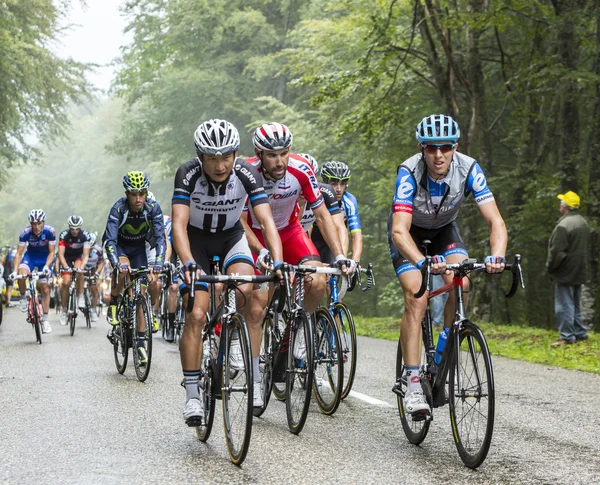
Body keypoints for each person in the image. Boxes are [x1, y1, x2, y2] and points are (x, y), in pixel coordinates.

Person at [389, 114, 507, 417]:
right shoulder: (409, 171)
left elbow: (495, 221)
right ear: (421, 148)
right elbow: (399, 231)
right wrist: (422, 261)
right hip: (409, 235)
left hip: (444, 232)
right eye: (430, 148)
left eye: (445, 147)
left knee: (462, 282)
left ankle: (443, 350)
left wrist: (497, 255)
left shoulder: (469, 168)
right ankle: (412, 379)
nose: (438, 155)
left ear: (455, 147)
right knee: (417, 296)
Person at [172, 119, 283, 425]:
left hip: (231, 236)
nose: (220, 165)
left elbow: (266, 221)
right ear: (200, 156)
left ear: (235, 154)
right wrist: (188, 262)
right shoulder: (187, 173)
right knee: (196, 313)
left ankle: (233, 341)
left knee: (245, 287)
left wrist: (277, 260)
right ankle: (193, 395)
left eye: (225, 157)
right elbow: (179, 224)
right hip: (195, 241)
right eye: (211, 158)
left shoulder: (246, 173)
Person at [242, 123, 353, 409]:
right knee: (257, 304)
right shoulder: (246, 172)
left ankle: (301, 331)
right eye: (272, 155)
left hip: (290, 231)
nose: (279, 161)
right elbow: (241, 221)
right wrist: (261, 249)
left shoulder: (301, 169)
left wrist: (340, 255)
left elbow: (323, 216)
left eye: (284, 153)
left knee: (317, 280)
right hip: (255, 234)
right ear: (259, 153)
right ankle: (254, 376)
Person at [104, 171, 166, 364]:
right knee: (123, 272)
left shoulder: (153, 208)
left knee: (141, 291)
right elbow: (110, 240)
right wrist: (116, 264)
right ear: (127, 193)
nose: (138, 198)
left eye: (142, 193)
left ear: (146, 192)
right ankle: (114, 303)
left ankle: (140, 343)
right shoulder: (118, 209)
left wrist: (158, 263)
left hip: (139, 248)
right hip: (120, 246)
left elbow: (160, 238)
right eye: (134, 194)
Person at [546, 190, 591, 347]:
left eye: (561, 202)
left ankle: (566, 336)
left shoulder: (563, 226)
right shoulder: (583, 222)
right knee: (576, 303)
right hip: (580, 269)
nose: (560, 204)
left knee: (564, 305)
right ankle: (580, 332)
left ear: (564, 206)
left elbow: (557, 252)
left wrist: (550, 268)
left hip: (565, 271)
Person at [11, 209, 57, 333]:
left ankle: (45, 320)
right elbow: (19, 254)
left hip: (44, 259)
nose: (36, 227)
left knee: (45, 288)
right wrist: (15, 271)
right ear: (30, 224)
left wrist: (47, 266)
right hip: (30, 257)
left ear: (43, 222)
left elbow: (52, 252)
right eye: (34, 224)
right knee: (21, 275)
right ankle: (23, 297)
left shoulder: (50, 232)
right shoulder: (25, 233)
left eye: (39, 223)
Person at [313, 161, 363, 265]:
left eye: (343, 183)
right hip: (313, 241)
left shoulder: (349, 200)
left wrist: (355, 261)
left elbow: (356, 235)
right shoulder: (315, 198)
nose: (339, 189)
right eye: (334, 183)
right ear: (325, 182)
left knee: (337, 271)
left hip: (334, 244)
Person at [57, 215, 91, 325]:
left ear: (80, 227)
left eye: (77, 228)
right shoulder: (64, 235)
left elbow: (86, 255)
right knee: (66, 282)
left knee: (79, 270)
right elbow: (61, 255)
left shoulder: (85, 235)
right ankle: (64, 309)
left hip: (78, 257)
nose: (75, 231)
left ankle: (80, 296)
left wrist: (82, 266)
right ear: (69, 227)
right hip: (66, 256)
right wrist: (66, 267)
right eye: (72, 228)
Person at [84, 232, 105, 322]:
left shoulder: (98, 250)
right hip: (83, 268)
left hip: (93, 269)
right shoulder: (82, 248)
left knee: (94, 289)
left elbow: (102, 262)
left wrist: (97, 273)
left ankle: (93, 310)